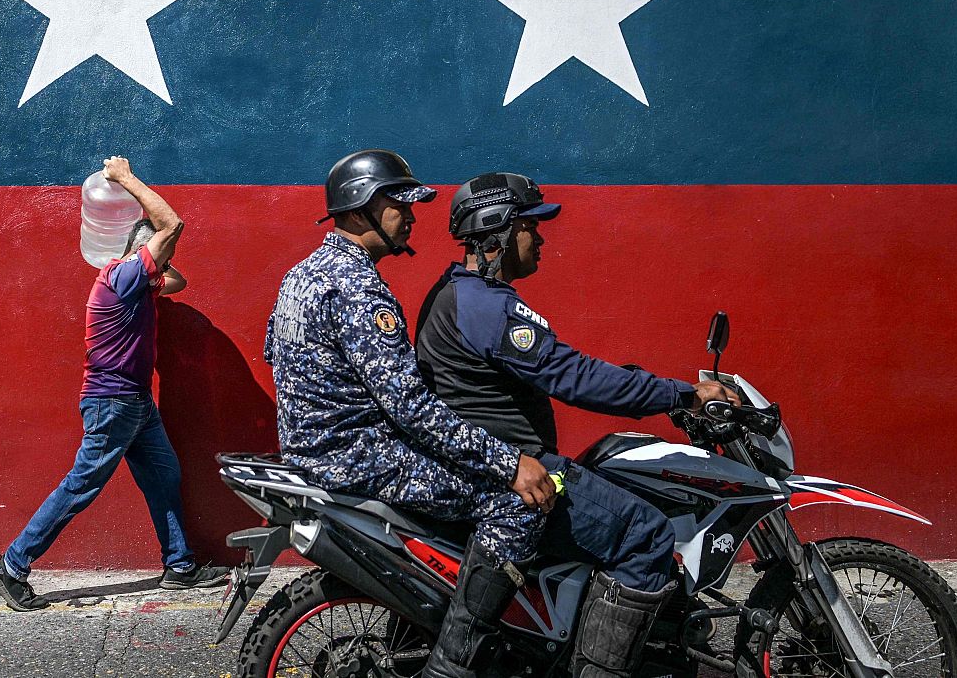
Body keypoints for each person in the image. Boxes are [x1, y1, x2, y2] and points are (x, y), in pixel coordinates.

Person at [414, 172, 740, 678]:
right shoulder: (486, 306)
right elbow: (575, 377)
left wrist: (646, 384)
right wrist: (680, 393)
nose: (539, 237)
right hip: (514, 471)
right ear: (497, 231)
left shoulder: (455, 293)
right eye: (529, 226)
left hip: (484, 465)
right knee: (646, 534)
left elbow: (568, 369)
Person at [264, 150, 557, 678]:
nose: (413, 215)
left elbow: (276, 354)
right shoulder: (357, 288)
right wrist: (509, 461)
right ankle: (453, 664)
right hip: (360, 456)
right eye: (399, 204)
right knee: (516, 503)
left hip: (313, 448)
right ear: (358, 213)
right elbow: (410, 407)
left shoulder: (301, 275)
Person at [0, 156, 228, 612]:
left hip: (134, 405)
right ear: (138, 255)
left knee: (164, 476)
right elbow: (172, 224)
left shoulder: (136, 281)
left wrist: (155, 260)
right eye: (155, 255)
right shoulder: (122, 276)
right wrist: (127, 179)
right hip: (111, 404)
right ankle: (12, 565)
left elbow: (178, 279)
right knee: (81, 485)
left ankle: (179, 567)